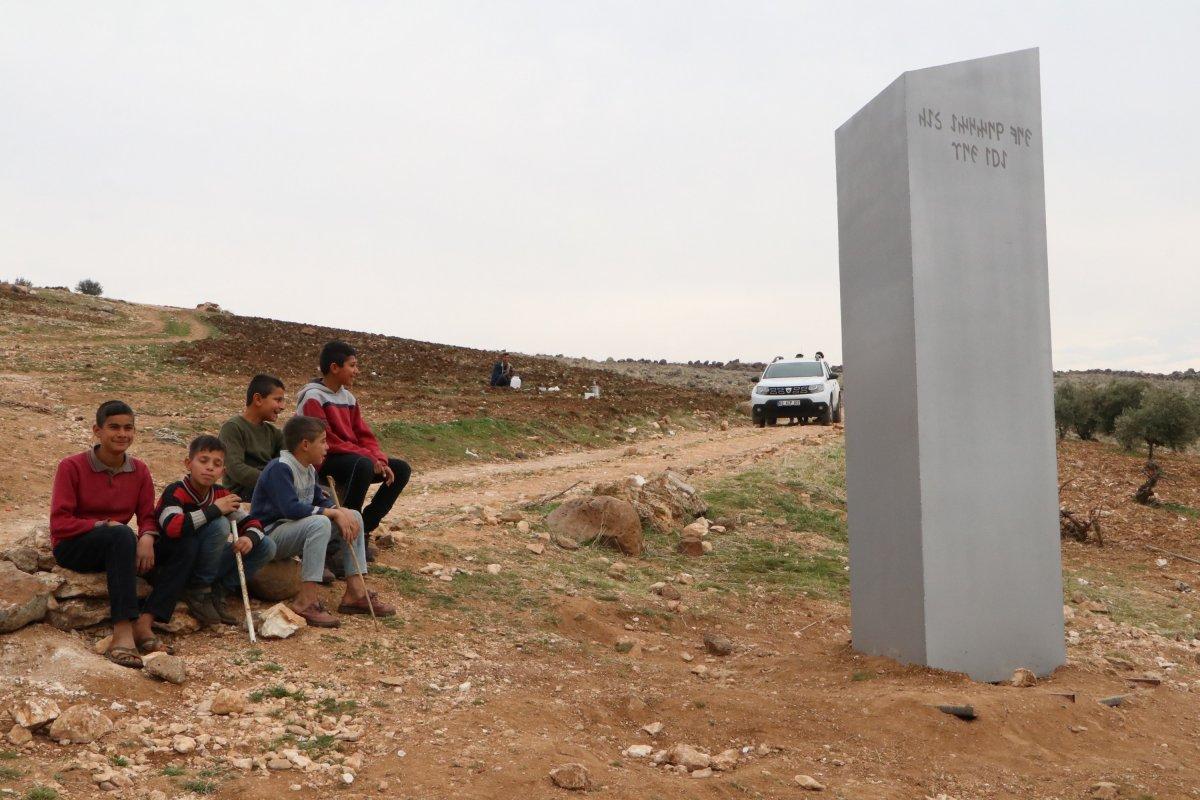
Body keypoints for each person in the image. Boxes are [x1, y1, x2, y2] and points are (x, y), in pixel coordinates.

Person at [50, 400, 198, 668]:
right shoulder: (71, 467)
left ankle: (146, 622)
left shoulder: (139, 470)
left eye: (128, 428)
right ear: (97, 430)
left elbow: (146, 516)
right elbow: (60, 523)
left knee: (184, 545)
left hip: (118, 544)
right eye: (114, 427)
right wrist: (105, 525)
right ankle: (122, 630)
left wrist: (148, 537)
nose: (122, 434)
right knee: (120, 536)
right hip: (74, 546)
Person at [251, 415, 396, 627]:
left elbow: (318, 499)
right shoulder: (280, 468)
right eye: (323, 441)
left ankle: (355, 592)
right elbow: (290, 508)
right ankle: (305, 602)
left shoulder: (308, 469)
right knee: (320, 522)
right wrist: (331, 513)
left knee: (353, 515)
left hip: (292, 531)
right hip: (270, 535)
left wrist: (339, 510)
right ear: (305, 445)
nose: (327, 447)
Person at [296, 341, 411, 558]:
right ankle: (343, 534)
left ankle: (364, 528)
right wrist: (367, 457)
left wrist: (379, 458)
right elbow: (326, 440)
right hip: (324, 458)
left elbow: (363, 434)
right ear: (335, 367)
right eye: (353, 365)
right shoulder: (313, 397)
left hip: (352, 457)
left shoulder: (348, 398)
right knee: (363, 465)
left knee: (401, 469)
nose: (356, 371)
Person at [156, 435, 276, 626]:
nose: (209, 467)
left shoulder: (221, 495)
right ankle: (198, 590)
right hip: (175, 561)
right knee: (220, 524)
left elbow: (253, 523)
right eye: (203, 461)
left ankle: (220, 590)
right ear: (188, 463)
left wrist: (250, 538)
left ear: (223, 471)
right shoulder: (176, 491)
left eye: (217, 464)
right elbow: (172, 526)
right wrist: (214, 510)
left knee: (266, 545)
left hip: (206, 561)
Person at [219, 374, 286, 499]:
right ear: (258, 399)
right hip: (243, 496)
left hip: (270, 490)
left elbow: (286, 463)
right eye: (278, 400)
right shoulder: (233, 428)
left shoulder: (274, 433)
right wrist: (274, 481)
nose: (283, 407)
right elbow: (235, 469)